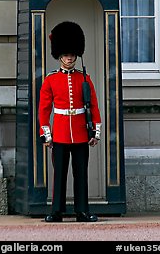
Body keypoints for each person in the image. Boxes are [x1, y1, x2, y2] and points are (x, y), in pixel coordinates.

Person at [38, 21, 102, 222]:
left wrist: (95, 132)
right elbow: (44, 110)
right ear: (59, 55)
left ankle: (82, 211)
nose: (69, 57)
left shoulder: (84, 78)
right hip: (61, 133)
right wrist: (46, 134)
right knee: (60, 175)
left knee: (81, 174)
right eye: (66, 54)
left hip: (81, 132)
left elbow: (93, 106)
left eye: (72, 54)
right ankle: (57, 211)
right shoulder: (51, 80)